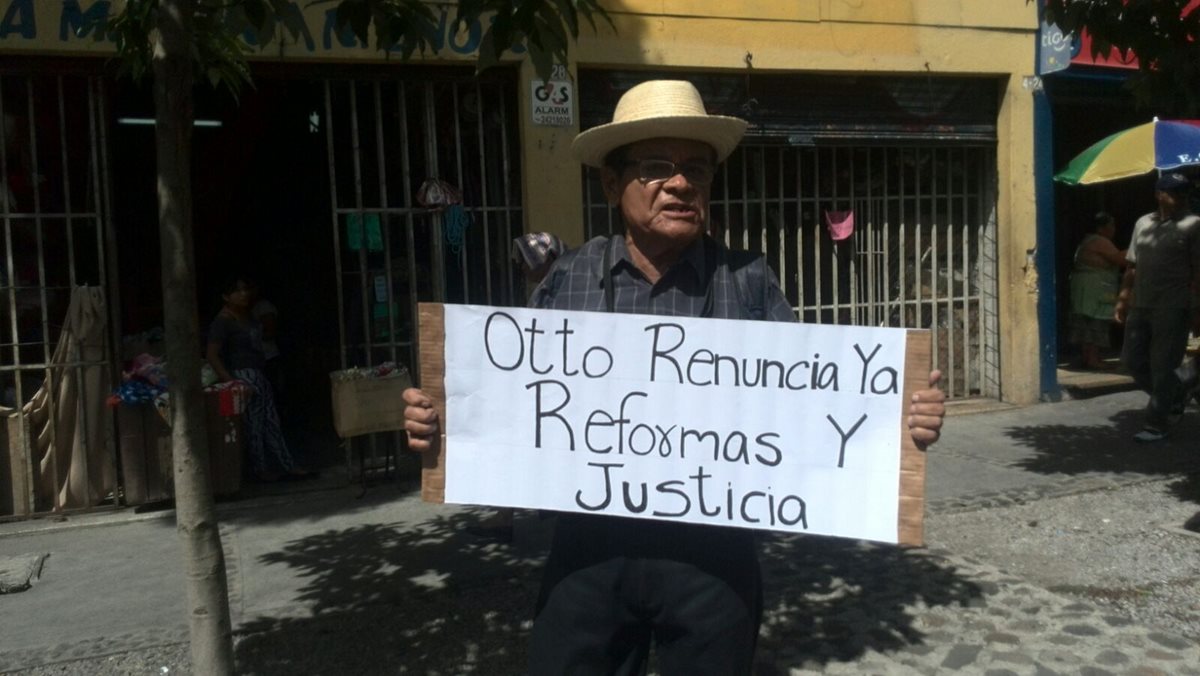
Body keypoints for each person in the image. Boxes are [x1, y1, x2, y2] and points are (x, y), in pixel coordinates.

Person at [402, 80, 946, 675]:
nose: (682, 183)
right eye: (657, 167)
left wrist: (898, 419)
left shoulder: (750, 281)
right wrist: (442, 424)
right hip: (588, 554)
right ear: (613, 185)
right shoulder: (567, 279)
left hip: (714, 559)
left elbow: (815, 408)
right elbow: (509, 406)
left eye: (697, 169)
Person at [467, 232, 568, 543]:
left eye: (527, 261)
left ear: (547, 260)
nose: (522, 268)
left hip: (549, 390)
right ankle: (506, 515)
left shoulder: (558, 289)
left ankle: (507, 516)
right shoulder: (547, 288)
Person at [1115, 172, 1200, 443]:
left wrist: (1197, 309)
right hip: (1142, 303)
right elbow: (1132, 264)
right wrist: (1123, 297)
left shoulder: (1194, 224)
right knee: (1132, 360)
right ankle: (1180, 390)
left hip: (1173, 306)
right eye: (1173, 192)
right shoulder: (1143, 223)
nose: (1180, 197)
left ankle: (1157, 423)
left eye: (1183, 192)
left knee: (1163, 366)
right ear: (1159, 194)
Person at [206, 276, 310, 481]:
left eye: (245, 289)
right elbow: (212, 355)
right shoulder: (223, 322)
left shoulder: (247, 316)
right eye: (237, 290)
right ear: (226, 296)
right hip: (243, 375)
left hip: (257, 373)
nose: (244, 293)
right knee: (254, 424)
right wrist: (231, 382)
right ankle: (260, 470)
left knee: (271, 421)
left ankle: (286, 465)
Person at [1068, 211, 1126, 370]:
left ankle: (1089, 357)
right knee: (1094, 322)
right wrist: (1137, 247)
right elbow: (1120, 259)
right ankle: (1092, 358)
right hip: (1093, 291)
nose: (1113, 229)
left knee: (1088, 323)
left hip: (1087, 290)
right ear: (1102, 227)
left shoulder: (1089, 240)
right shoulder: (1100, 241)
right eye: (1111, 225)